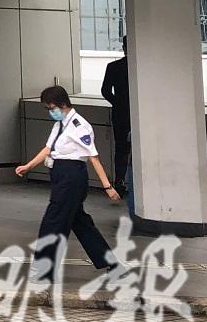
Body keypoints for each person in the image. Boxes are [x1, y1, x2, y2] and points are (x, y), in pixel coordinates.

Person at [15, 85, 121, 278]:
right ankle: (112, 265)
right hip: (61, 175)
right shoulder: (60, 124)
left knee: (53, 221)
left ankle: (44, 270)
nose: (50, 112)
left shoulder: (79, 126)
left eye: (51, 108)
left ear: (62, 104)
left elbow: (93, 157)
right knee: (80, 222)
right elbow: (48, 149)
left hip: (71, 177)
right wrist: (28, 166)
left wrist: (107, 186)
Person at [100, 37, 131, 194]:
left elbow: (105, 91)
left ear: (124, 48)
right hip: (138, 113)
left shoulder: (113, 67)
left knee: (121, 149)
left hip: (120, 113)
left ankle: (120, 181)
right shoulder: (143, 68)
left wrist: (118, 103)